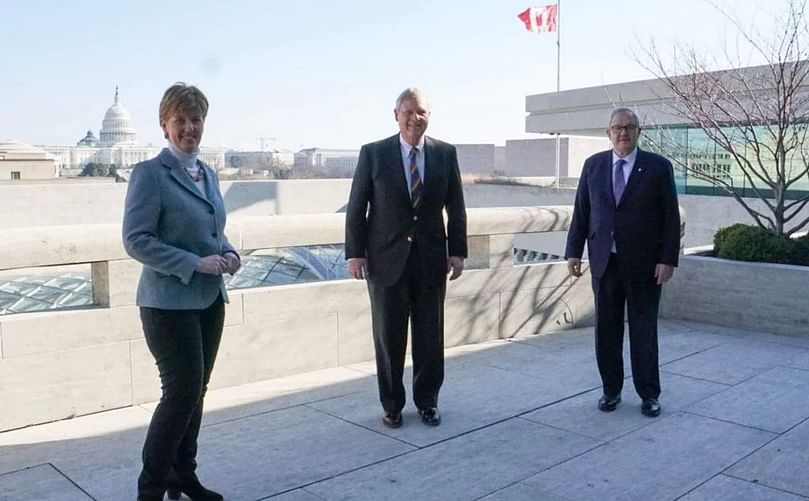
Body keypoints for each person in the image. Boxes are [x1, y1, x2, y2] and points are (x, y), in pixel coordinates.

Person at [123, 82, 240, 501]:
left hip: (210, 300)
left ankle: (182, 474)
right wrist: (194, 263)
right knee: (180, 393)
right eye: (181, 121)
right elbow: (136, 239)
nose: (189, 128)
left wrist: (228, 253)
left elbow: (214, 232)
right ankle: (150, 486)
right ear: (164, 125)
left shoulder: (207, 172)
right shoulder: (150, 174)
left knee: (197, 392)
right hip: (167, 304)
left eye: (196, 120)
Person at [345, 87, 467, 428]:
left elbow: (456, 208)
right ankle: (392, 405)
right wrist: (355, 254)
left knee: (431, 335)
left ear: (429, 116)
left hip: (430, 260)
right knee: (388, 337)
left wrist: (457, 251)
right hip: (385, 262)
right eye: (408, 112)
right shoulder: (374, 153)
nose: (415, 118)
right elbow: (357, 206)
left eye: (421, 112)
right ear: (396, 114)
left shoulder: (445, 154)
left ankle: (427, 401)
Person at [565, 107, 680, 418]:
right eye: (616, 128)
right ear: (608, 133)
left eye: (628, 127)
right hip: (605, 263)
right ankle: (611, 390)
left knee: (644, 331)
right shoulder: (593, 166)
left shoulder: (657, 167)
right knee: (607, 331)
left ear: (638, 131)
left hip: (645, 266)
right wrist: (573, 251)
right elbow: (582, 212)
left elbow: (670, 217)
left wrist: (667, 259)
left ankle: (649, 394)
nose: (622, 133)